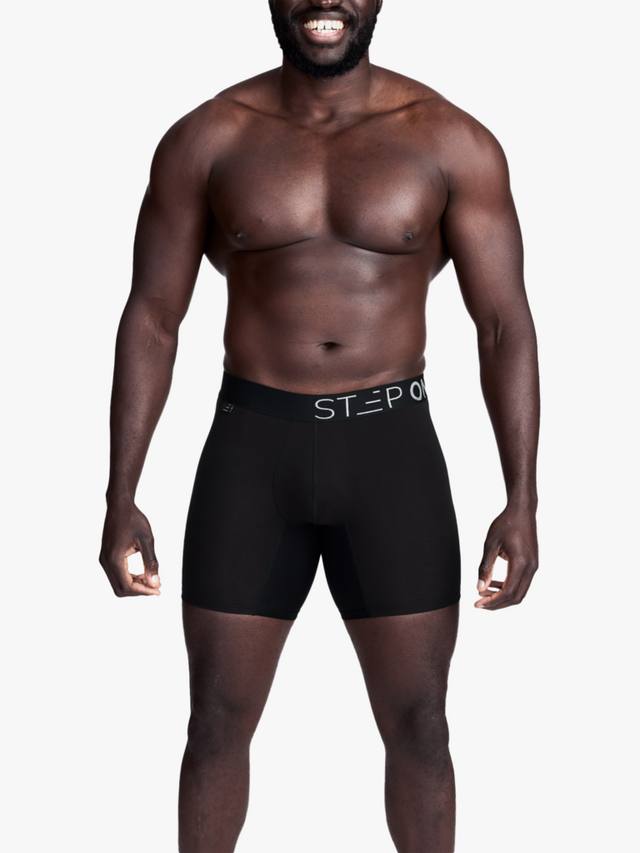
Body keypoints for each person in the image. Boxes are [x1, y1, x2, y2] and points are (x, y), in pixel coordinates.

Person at [99, 1, 540, 850]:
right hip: (252, 449)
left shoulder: (450, 140)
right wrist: (121, 494)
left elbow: (502, 325)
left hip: (391, 453)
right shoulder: (209, 138)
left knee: (421, 725)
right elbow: (153, 318)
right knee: (214, 722)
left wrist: (521, 499)